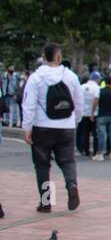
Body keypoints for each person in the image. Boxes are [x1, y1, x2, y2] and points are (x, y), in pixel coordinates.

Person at [22, 42, 84, 213]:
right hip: (66, 127)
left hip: (42, 127)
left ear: (44, 57)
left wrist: (27, 127)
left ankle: (46, 202)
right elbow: (79, 102)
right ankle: (71, 184)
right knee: (67, 161)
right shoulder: (71, 76)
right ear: (59, 57)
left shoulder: (36, 77)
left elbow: (29, 104)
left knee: (42, 165)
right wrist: (75, 120)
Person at [93, 72, 111, 161]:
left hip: (101, 115)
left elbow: (95, 103)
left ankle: (100, 154)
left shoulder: (100, 91)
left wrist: (92, 113)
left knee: (102, 135)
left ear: (104, 82)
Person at [78, 71, 101, 157]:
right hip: (94, 114)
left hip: (83, 113)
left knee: (85, 133)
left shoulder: (81, 87)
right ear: (97, 79)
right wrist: (92, 113)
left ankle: (86, 150)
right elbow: (96, 101)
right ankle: (95, 151)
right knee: (95, 134)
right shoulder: (97, 88)